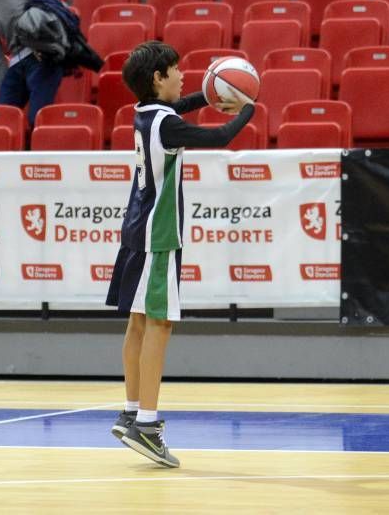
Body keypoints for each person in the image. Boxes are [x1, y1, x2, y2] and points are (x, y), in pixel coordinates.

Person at [106, 41, 254, 468]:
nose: (183, 76)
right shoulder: (167, 126)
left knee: (137, 323)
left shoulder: (145, 114)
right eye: (176, 70)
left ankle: (132, 410)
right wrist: (247, 106)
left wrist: (211, 94)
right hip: (159, 234)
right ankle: (148, 428)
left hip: (136, 228)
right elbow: (221, 137)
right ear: (157, 78)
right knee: (160, 323)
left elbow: (181, 106)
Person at [0, 0, 64, 126]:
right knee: (2, 119)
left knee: (36, 120)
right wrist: (6, 91)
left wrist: (33, 30)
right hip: (17, 60)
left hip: (44, 50)